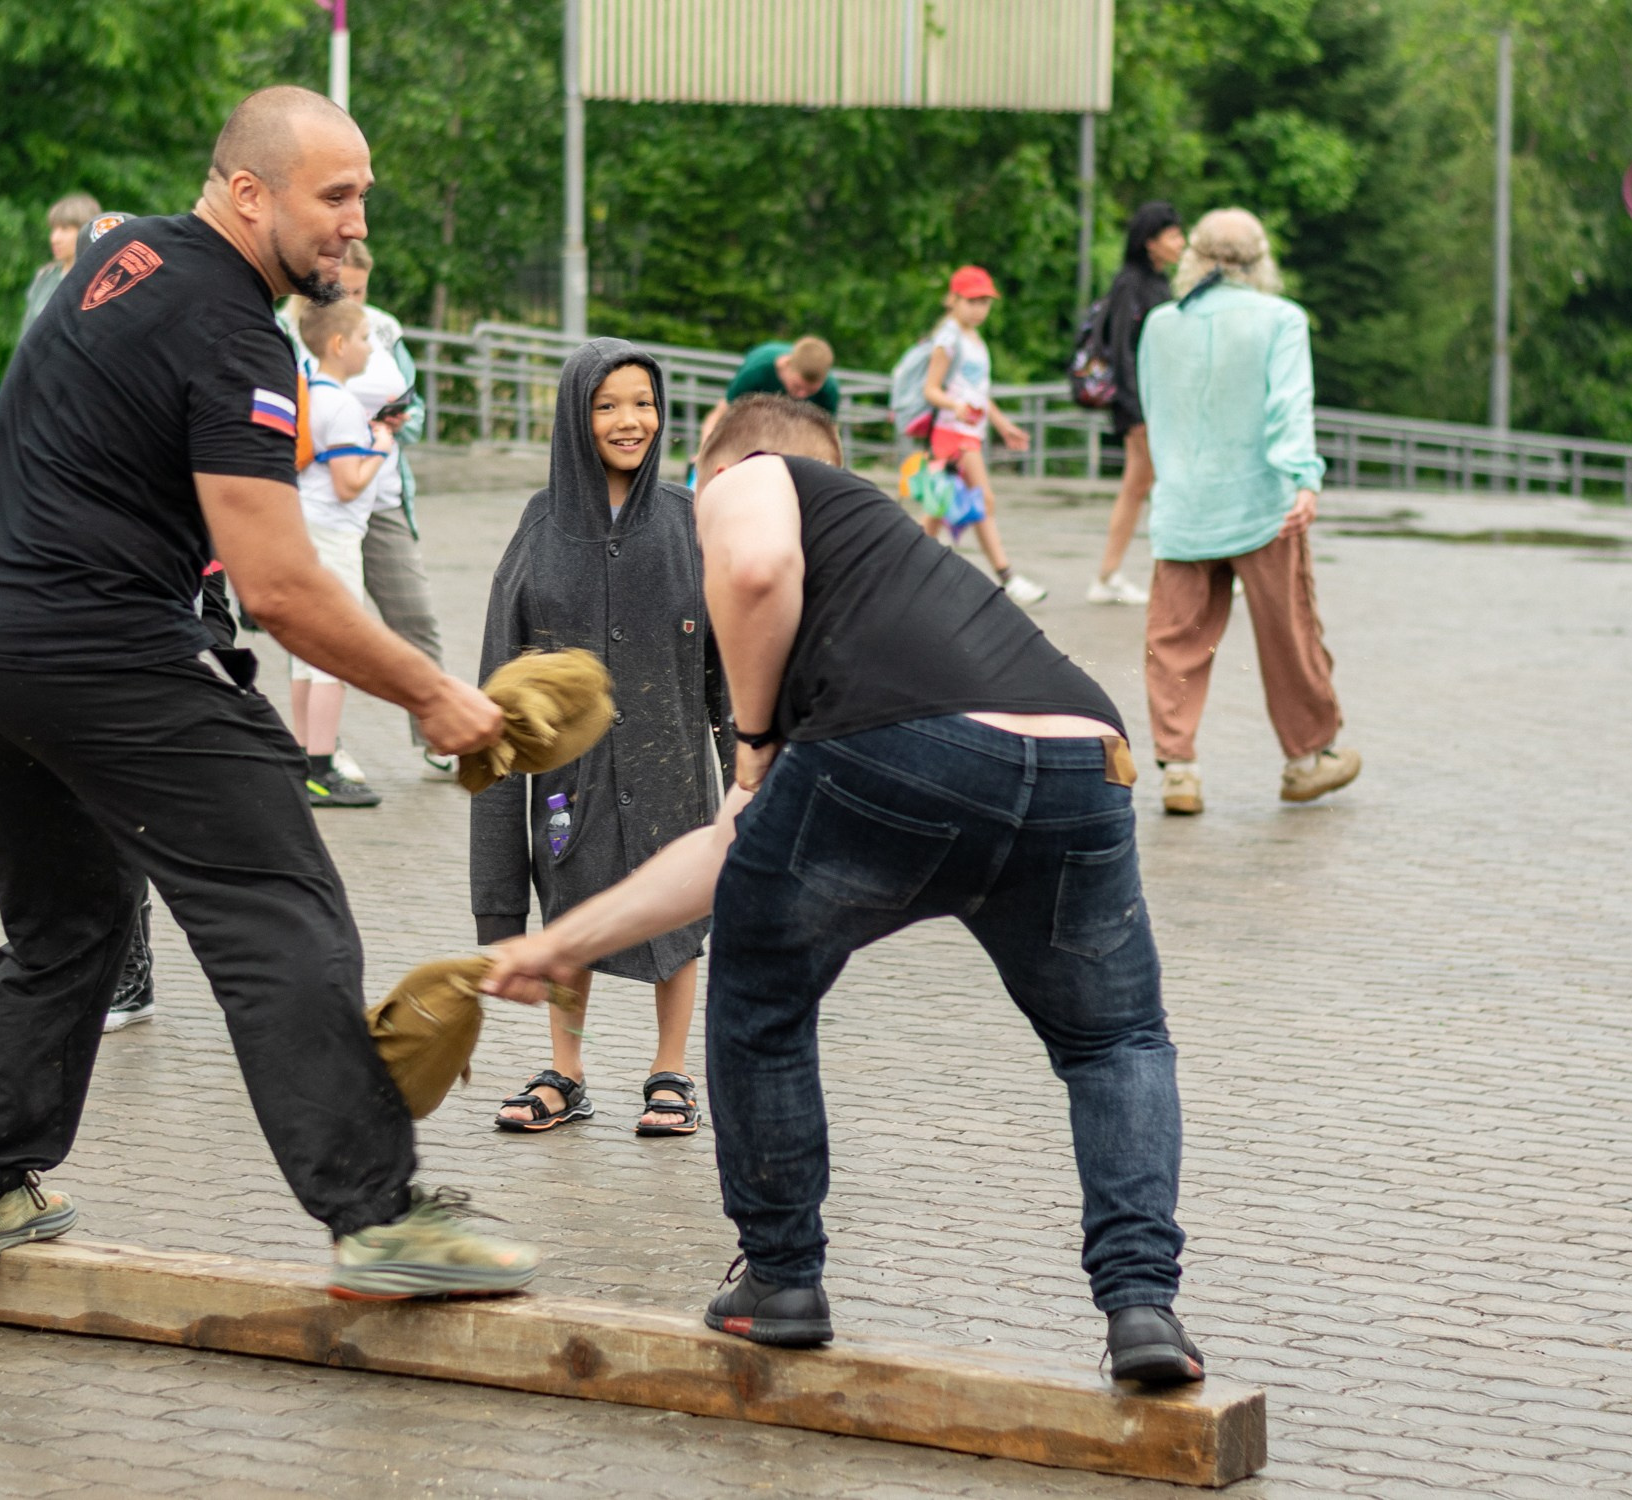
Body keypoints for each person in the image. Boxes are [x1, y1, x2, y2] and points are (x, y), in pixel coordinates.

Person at [0, 85, 535, 1297]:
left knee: (72, 921)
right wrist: (438, 696)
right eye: (333, 197)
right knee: (280, 906)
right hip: (90, 645)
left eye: (365, 198)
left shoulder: (129, 248)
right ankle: (378, 1216)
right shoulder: (238, 333)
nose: (357, 225)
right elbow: (283, 587)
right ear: (249, 194)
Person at [482, 393, 1202, 1385]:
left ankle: (780, 1277)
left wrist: (758, 736)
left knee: (761, 992)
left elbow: (759, 565)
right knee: (1115, 1041)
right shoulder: (903, 580)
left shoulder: (750, 475)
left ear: (724, 465)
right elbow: (720, 851)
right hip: (1084, 759)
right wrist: (561, 944)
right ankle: (1142, 1312)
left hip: (903, 755)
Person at [475, 340, 730, 1137]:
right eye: (608, 404)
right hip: (567, 777)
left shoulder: (690, 523)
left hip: (674, 772)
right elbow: (497, 686)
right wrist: (493, 897)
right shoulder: (540, 527)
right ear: (574, 415)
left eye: (644, 403)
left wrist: (754, 775)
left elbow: (730, 668)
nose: (631, 421)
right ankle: (567, 1070)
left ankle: (671, 1069)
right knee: (569, 912)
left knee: (680, 919)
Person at [1137, 208, 1360, 815]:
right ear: (1261, 261)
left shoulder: (1160, 324)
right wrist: (1303, 479)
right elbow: (1290, 405)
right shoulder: (1281, 319)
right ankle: (1308, 760)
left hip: (1184, 504)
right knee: (1287, 634)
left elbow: (1156, 409)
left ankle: (1178, 769)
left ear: (1196, 259)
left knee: (1175, 639)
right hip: (1263, 505)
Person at [335, 240, 457, 783]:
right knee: (328, 626)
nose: (352, 301)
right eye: (344, 289)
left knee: (415, 617)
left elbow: (419, 407)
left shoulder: (383, 329)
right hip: (327, 499)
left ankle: (438, 733)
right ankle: (323, 748)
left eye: (360, 291)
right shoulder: (290, 326)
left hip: (383, 499)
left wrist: (405, 418)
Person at [292, 296, 396, 809]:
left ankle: (302, 757)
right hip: (335, 535)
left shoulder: (311, 391)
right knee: (335, 649)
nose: (369, 347)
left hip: (306, 527)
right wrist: (380, 448)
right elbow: (348, 483)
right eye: (363, 339)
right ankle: (322, 764)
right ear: (338, 345)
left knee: (305, 651)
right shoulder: (342, 405)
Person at [920, 267, 1046, 605]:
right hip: (952, 432)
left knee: (937, 507)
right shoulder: (948, 338)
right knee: (982, 500)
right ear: (955, 300)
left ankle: (909, 568)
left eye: (985, 302)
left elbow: (979, 393)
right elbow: (931, 389)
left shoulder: (975, 339)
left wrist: (1003, 425)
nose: (979, 308)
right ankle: (1008, 577)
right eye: (973, 301)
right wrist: (955, 405)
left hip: (969, 432)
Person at [1089, 203, 1185, 607]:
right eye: (1173, 235)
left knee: (1138, 485)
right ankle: (1200, 569)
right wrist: (1137, 410)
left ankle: (1107, 575)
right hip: (1139, 405)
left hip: (1151, 403)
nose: (1182, 242)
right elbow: (1122, 351)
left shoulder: (1159, 284)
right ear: (1150, 243)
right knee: (1170, 481)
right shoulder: (1131, 283)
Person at [695, 335, 839, 454]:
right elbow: (720, 415)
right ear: (785, 365)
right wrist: (704, 452)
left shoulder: (829, 389)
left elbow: (830, 435)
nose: (802, 395)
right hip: (752, 420)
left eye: (810, 391)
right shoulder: (756, 371)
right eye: (797, 387)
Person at [16, 192, 102, 348]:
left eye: (64, 229)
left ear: (85, 231)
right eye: (53, 229)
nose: (54, 238)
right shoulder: (45, 277)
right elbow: (27, 335)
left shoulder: (99, 282)